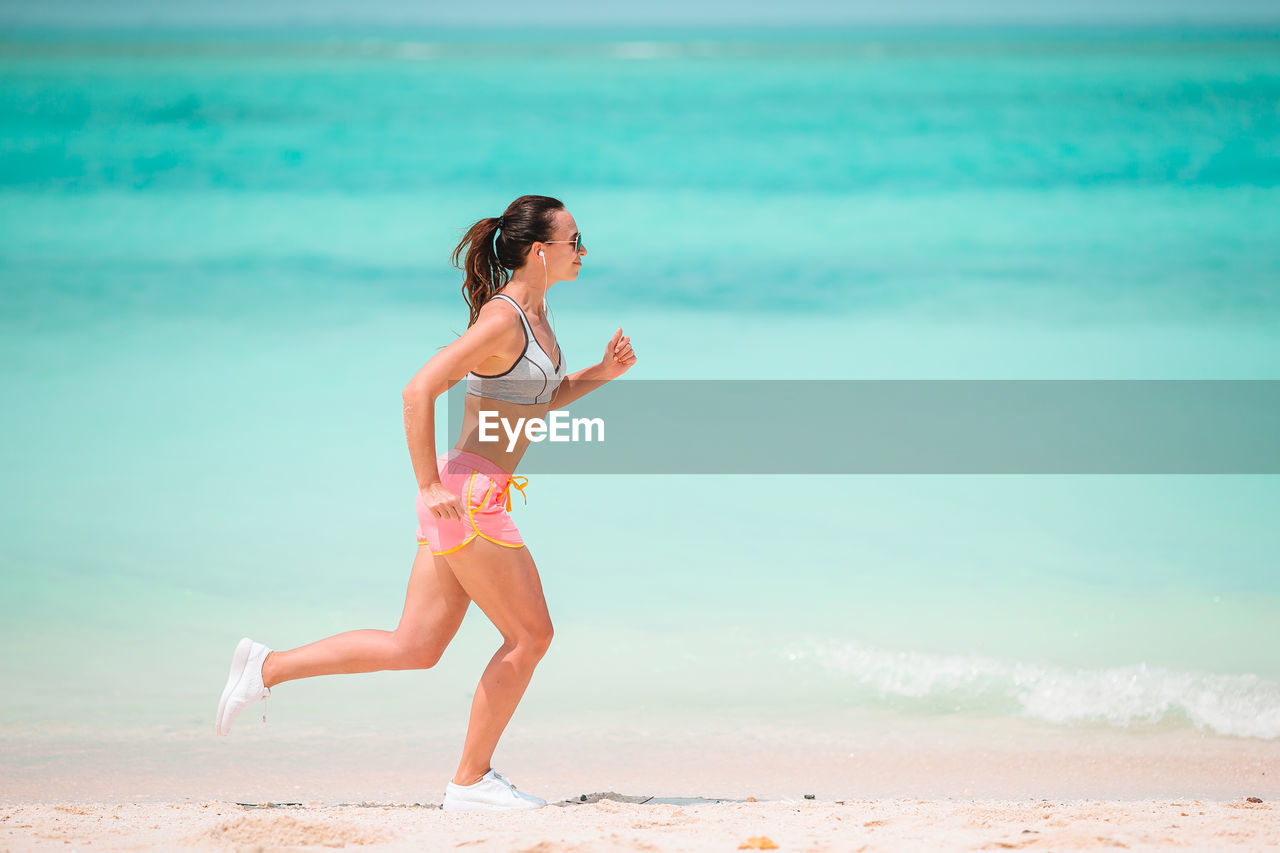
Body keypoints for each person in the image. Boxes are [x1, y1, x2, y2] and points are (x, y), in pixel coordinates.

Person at [213, 194, 637, 812]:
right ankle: (470, 782)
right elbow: (418, 391)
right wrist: (428, 486)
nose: (585, 251)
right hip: (467, 500)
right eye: (576, 241)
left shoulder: (536, 317)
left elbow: (533, 403)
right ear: (540, 252)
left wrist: (603, 372)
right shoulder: (503, 320)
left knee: (415, 645)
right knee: (531, 637)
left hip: (471, 492)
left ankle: (265, 667)